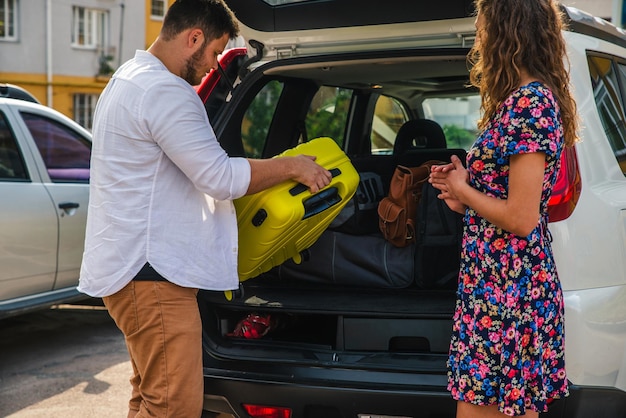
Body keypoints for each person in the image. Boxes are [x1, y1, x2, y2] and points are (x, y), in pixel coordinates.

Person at [77, 1, 332, 417]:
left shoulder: (128, 78)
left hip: (132, 272)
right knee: (173, 406)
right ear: (193, 38)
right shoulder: (163, 90)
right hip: (152, 276)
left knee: (150, 397)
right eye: (214, 52)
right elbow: (219, 177)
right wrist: (292, 166)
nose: (214, 65)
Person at [428, 0, 579, 417]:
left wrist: (463, 186)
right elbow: (505, 207)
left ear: (507, 32)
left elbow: (521, 217)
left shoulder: (530, 104)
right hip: (495, 287)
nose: (479, 38)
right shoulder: (516, 102)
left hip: (511, 292)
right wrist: (464, 197)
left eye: (483, 28)